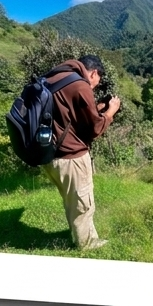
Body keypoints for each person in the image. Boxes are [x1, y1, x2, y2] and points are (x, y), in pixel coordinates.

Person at [40, 54, 120, 250]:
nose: (94, 86)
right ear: (93, 73)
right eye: (97, 81)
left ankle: (79, 235)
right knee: (83, 203)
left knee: (72, 201)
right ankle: (86, 245)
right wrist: (111, 111)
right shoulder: (80, 85)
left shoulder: (55, 77)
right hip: (71, 157)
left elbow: (67, 115)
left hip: (50, 155)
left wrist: (97, 107)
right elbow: (94, 129)